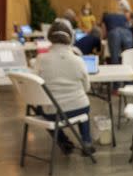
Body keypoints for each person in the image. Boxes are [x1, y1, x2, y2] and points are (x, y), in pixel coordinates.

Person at [35, 21, 95, 156]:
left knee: (39, 110)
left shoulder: (40, 59)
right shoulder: (78, 60)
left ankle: (64, 142)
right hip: (80, 107)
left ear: (49, 36)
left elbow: (36, 86)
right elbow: (86, 88)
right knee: (83, 109)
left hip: (53, 112)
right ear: (70, 38)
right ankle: (86, 142)